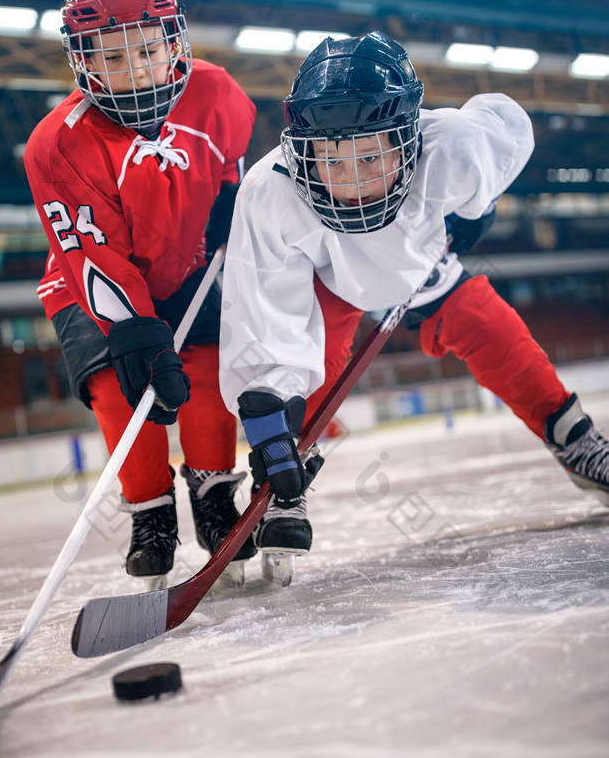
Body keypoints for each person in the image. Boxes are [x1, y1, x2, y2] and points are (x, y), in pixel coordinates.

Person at [219, 31, 609, 563]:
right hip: (326, 275)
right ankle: (283, 480)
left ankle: (574, 437)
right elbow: (266, 318)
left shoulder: (452, 146)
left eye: (370, 159)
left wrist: (476, 206)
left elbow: (506, 132)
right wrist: (270, 426)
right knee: (309, 369)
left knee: (487, 325)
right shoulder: (270, 192)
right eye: (333, 162)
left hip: (416, 258)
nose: (353, 184)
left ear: (409, 138)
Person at [25, 0, 257, 586]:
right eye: (111, 54)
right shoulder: (56, 143)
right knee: (120, 386)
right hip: (89, 276)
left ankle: (214, 497)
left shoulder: (217, 93)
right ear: (83, 59)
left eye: (146, 48)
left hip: (185, 263)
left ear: (173, 40)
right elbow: (89, 251)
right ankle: (150, 513)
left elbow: (230, 162)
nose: (132, 69)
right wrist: (135, 330)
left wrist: (230, 201)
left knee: (208, 372)